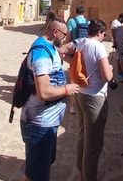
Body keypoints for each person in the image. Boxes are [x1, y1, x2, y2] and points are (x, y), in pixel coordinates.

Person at [20, 18, 80, 181]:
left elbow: (61, 55)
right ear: (55, 32)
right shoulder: (41, 53)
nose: (65, 38)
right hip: (39, 124)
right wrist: (67, 89)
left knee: (40, 168)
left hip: (48, 122)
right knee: (37, 174)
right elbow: (44, 92)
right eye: (64, 35)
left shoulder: (50, 47)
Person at [63, 19, 114, 180]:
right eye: (104, 34)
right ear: (99, 32)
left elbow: (64, 53)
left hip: (81, 94)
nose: (104, 36)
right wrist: (111, 69)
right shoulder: (99, 46)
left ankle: (81, 174)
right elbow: (107, 76)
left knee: (82, 136)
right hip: (95, 97)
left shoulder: (81, 43)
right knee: (93, 144)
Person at [66, 5, 89, 114]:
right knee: (84, 73)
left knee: (73, 74)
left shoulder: (72, 21)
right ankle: (84, 102)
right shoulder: (88, 22)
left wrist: (67, 45)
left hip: (75, 50)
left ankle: (73, 105)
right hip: (85, 50)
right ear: (84, 13)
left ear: (76, 12)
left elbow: (69, 35)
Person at [110, 13, 123, 81]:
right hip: (118, 42)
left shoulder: (122, 24)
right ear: (120, 18)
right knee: (119, 57)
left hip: (122, 41)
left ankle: (120, 70)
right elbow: (113, 32)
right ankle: (119, 71)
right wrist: (115, 41)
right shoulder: (115, 22)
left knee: (121, 56)